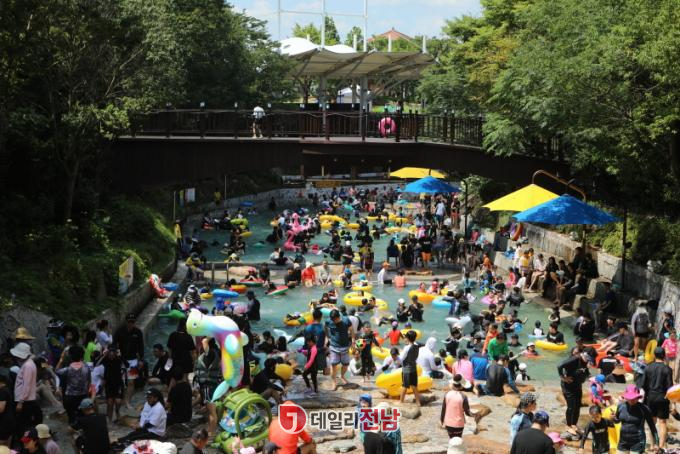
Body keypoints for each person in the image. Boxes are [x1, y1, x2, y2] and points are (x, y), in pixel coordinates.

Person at [641, 347, 673, 450]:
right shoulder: (667, 369)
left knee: (652, 422)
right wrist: (671, 402)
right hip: (663, 397)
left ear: (654, 355)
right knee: (662, 422)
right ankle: (661, 446)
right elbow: (670, 387)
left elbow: (643, 384)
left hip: (650, 397)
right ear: (664, 356)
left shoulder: (648, 368)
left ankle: (652, 445)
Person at [614, 385, 659, 454]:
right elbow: (616, 421)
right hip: (623, 442)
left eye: (634, 398)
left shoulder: (644, 409)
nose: (631, 400)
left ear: (638, 397)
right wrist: (613, 418)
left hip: (638, 442)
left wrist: (657, 443)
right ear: (626, 397)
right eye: (629, 398)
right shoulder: (620, 407)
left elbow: (652, 427)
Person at [12, 342, 42, 441]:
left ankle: (24, 444)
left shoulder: (27, 366)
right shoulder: (29, 364)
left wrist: (20, 402)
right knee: (25, 423)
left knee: (22, 425)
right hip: (27, 400)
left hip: (25, 400)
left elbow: (26, 385)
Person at [112, 313, 144, 408]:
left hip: (133, 360)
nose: (131, 324)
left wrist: (141, 360)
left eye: (132, 322)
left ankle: (127, 401)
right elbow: (114, 345)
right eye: (129, 322)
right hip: (121, 360)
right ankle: (120, 399)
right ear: (126, 322)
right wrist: (117, 356)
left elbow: (141, 347)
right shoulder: (119, 331)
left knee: (131, 382)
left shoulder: (138, 332)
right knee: (121, 381)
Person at [557, 352, 592, 436]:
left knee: (577, 405)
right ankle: (568, 426)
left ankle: (574, 424)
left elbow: (585, 372)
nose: (588, 361)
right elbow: (559, 366)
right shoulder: (575, 359)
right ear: (583, 355)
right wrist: (563, 377)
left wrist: (589, 376)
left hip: (577, 385)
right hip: (568, 386)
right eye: (587, 359)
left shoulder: (586, 361)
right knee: (571, 406)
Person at [57, 345, 91, 425]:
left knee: (72, 420)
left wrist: (61, 359)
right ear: (82, 356)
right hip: (83, 396)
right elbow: (89, 382)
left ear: (70, 356)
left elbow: (57, 370)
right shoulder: (86, 368)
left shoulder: (68, 369)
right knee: (83, 418)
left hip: (70, 397)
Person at [195, 338, 221, 435]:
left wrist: (210, 334)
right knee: (210, 410)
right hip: (208, 385)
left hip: (209, 386)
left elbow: (204, 341)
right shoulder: (213, 353)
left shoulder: (210, 353)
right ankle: (210, 429)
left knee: (212, 411)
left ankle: (212, 432)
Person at [324, 309, 354, 391]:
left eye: (335, 320)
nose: (334, 321)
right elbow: (325, 327)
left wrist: (353, 341)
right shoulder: (329, 321)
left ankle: (342, 376)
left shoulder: (346, 320)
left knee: (345, 364)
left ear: (339, 317)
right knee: (333, 365)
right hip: (334, 347)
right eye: (332, 320)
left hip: (345, 347)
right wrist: (327, 337)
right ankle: (334, 382)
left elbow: (351, 330)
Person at [100, 344, 125, 423]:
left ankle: (117, 411)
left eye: (113, 352)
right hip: (109, 384)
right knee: (110, 404)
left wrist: (120, 356)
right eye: (110, 352)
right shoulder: (105, 359)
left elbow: (127, 365)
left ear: (115, 353)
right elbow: (95, 364)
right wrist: (103, 355)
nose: (111, 354)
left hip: (118, 383)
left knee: (118, 401)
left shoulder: (118, 359)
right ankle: (109, 422)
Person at [399, 331, 421, 406]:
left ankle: (401, 402)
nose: (404, 338)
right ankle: (418, 402)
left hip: (406, 370)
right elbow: (416, 356)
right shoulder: (417, 346)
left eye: (405, 337)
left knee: (404, 386)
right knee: (414, 386)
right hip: (414, 368)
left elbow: (401, 359)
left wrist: (401, 352)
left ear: (408, 338)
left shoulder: (406, 348)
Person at [0, 373, 14, 447]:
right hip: (8, 421)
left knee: (2, 446)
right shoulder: (7, 390)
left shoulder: (3, 391)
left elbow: (1, 409)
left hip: (4, 423)